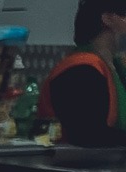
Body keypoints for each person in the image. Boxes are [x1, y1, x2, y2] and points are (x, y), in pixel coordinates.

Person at [44, 0, 126, 147]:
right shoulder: (81, 69)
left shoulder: (116, 69)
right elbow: (88, 134)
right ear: (108, 19)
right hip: (73, 160)